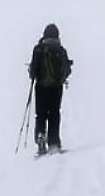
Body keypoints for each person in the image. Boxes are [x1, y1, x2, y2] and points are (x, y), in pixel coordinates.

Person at [28, 23, 72, 155]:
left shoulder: (38, 49)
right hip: (56, 88)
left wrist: (33, 74)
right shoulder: (61, 50)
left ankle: (40, 137)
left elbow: (33, 71)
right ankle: (54, 143)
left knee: (41, 114)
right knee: (54, 114)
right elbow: (67, 70)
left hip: (41, 87)